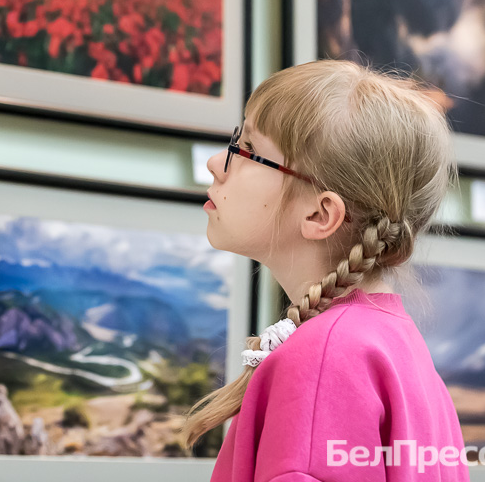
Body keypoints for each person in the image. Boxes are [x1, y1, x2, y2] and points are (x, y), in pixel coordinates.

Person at [185, 60, 470, 480]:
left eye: (246, 151)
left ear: (321, 214)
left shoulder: (324, 358)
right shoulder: (391, 344)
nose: (215, 163)